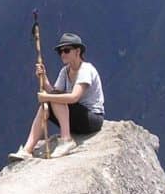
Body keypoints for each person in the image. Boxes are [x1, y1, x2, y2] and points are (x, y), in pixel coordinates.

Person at [9, 32, 104, 160]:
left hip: (92, 119)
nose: (63, 54)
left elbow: (74, 97)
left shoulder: (86, 70)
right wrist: (44, 78)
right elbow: (54, 92)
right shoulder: (65, 71)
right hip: (76, 117)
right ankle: (28, 149)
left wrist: (47, 97)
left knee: (51, 99)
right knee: (45, 105)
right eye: (60, 51)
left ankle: (66, 140)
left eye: (66, 50)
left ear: (77, 51)